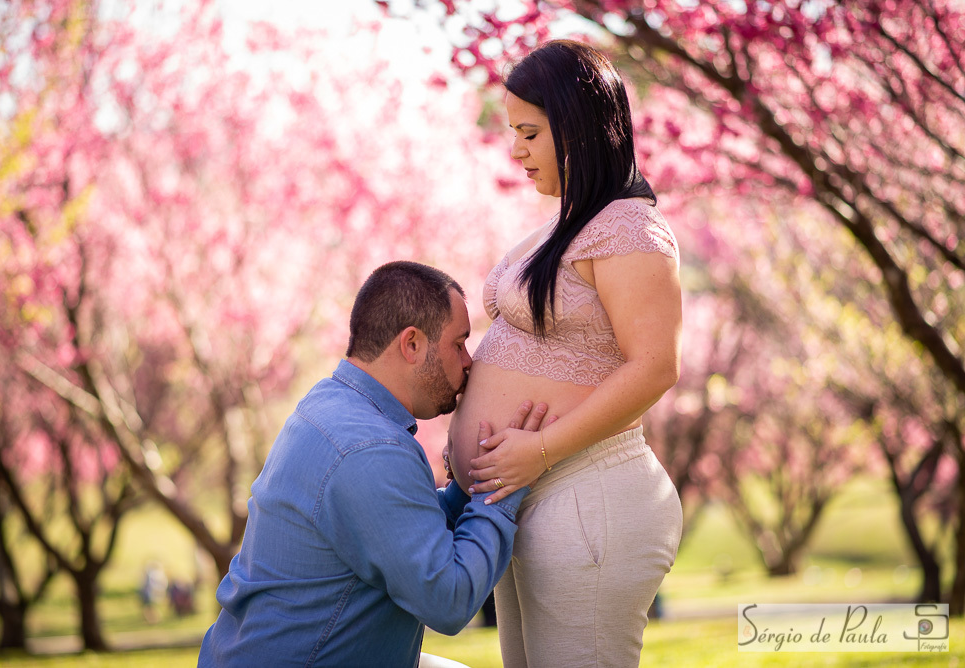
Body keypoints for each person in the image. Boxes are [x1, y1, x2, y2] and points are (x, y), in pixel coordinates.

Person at [446, 40, 684, 667]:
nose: (515, 149)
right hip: (520, 499)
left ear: (576, 126)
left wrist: (540, 449)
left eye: (529, 132)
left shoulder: (630, 229)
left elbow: (656, 365)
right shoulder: (564, 226)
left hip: (584, 493)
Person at [198, 261, 550, 668]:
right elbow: (449, 600)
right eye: (458, 344)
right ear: (412, 344)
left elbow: (395, 532)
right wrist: (502, 486)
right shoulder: (372, 449)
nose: (469, 362)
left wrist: (466, 487)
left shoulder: (330, 404)